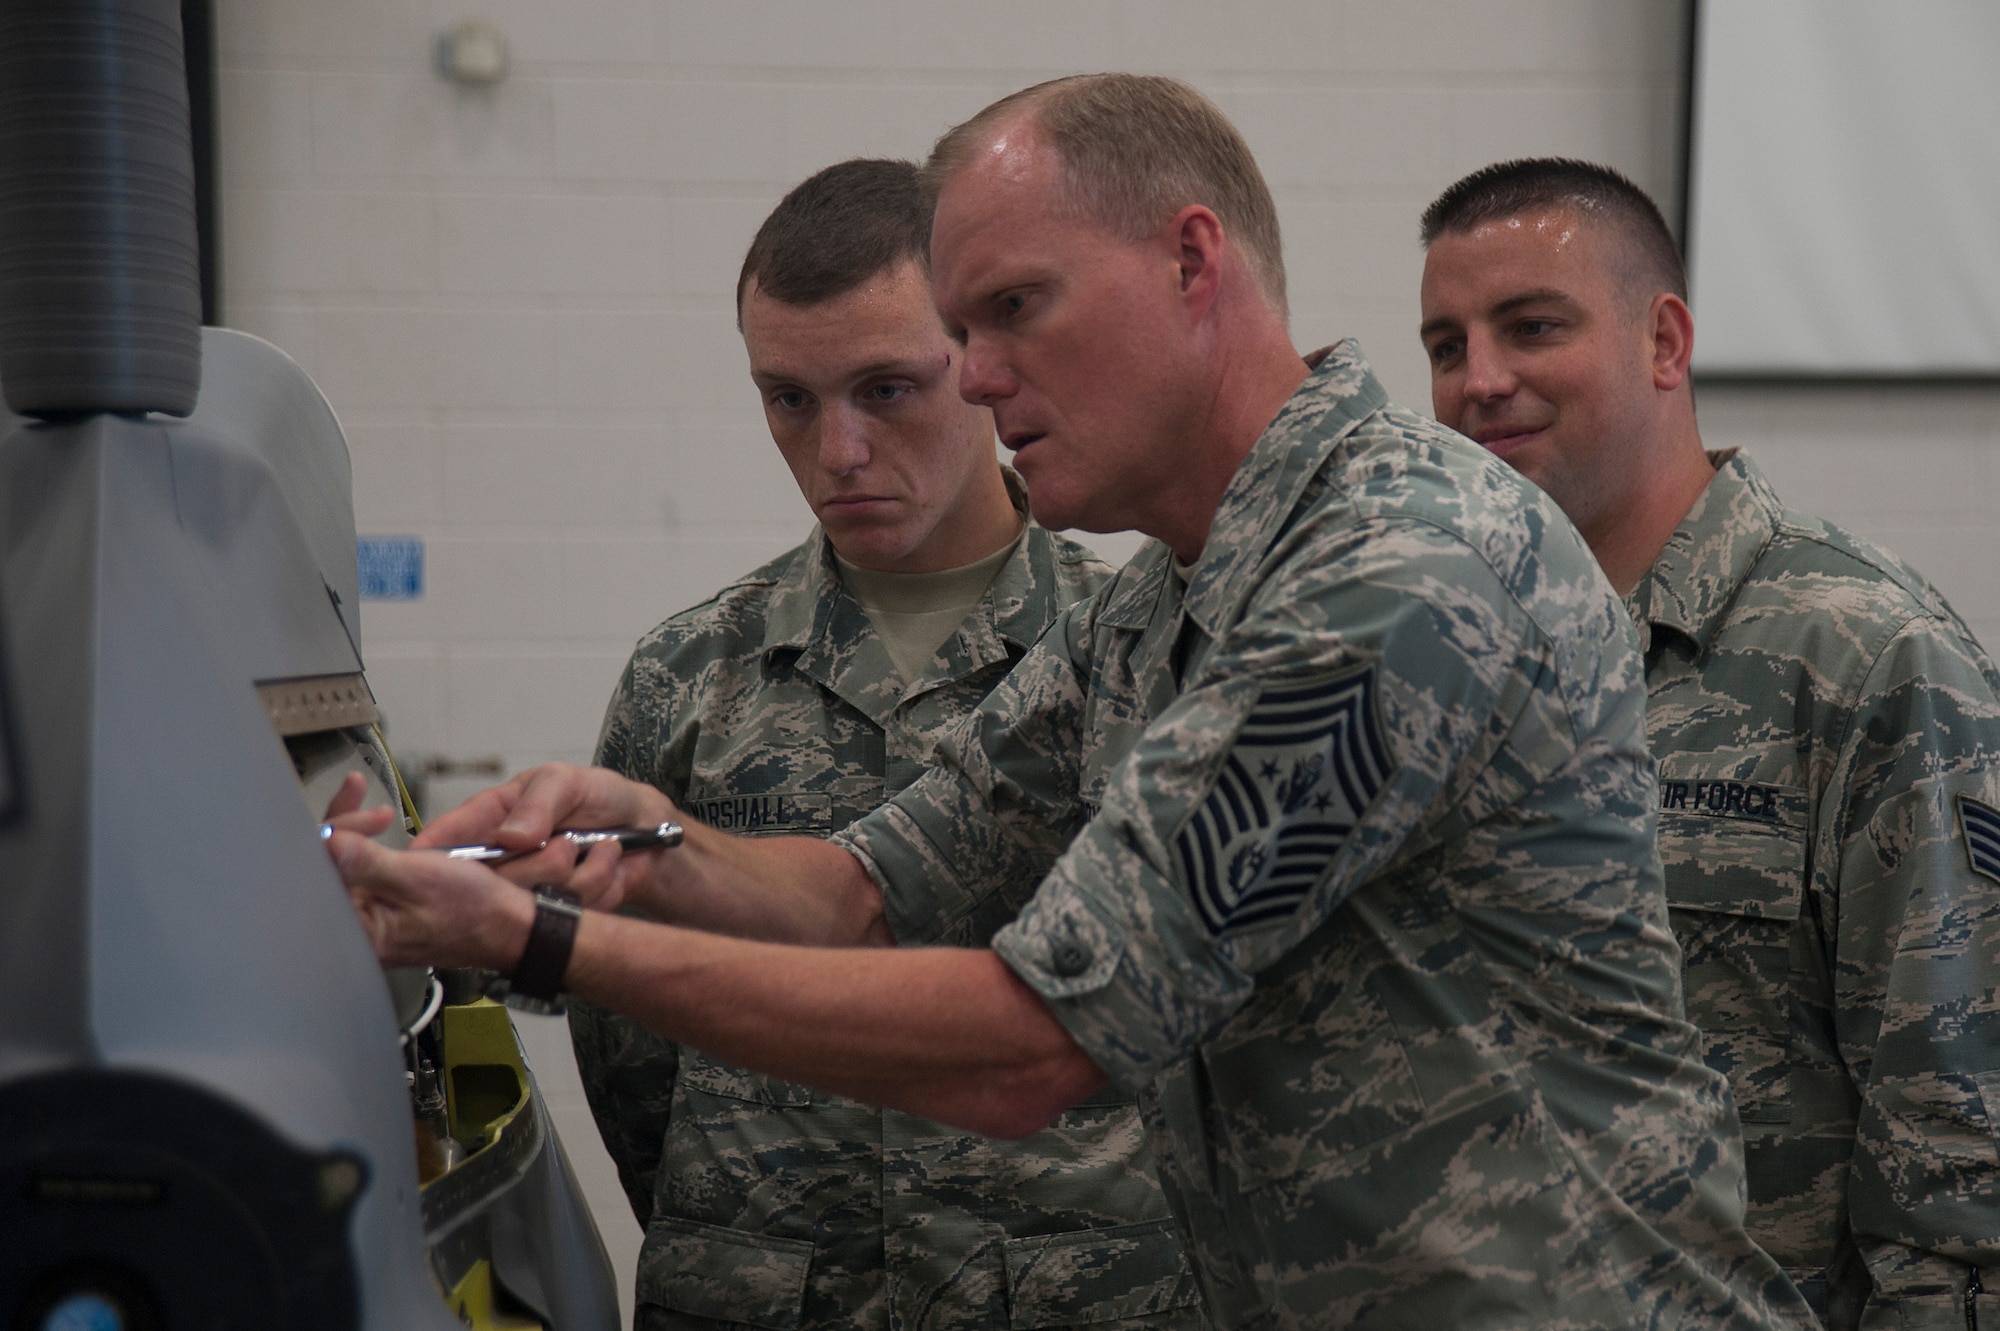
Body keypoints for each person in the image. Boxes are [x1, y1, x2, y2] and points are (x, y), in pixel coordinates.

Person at [329, 77, 1813, 1329]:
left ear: (1191, 261)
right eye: (965, 327)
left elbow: (1033, 1044)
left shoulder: (1398, 565)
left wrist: (542, 938)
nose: (978, 379)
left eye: (1014, 309)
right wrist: (650, 840)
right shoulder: (1167, 597)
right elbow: (865, 888)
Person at [578, 159, 1199, 1331]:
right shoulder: (690, 676)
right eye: (790, 399)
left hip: (1079, 1292)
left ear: (979, 360)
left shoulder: (1136, 648)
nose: (839, 451)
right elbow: (632, 1053)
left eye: (886, 390)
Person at [1418, 157, 2000, 1330]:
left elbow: (1958, 1174)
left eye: (1531, 327)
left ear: (1663, 342)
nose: (1480, 381)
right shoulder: (1451, 654)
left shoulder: (1867, 655)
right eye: (1443, 344)